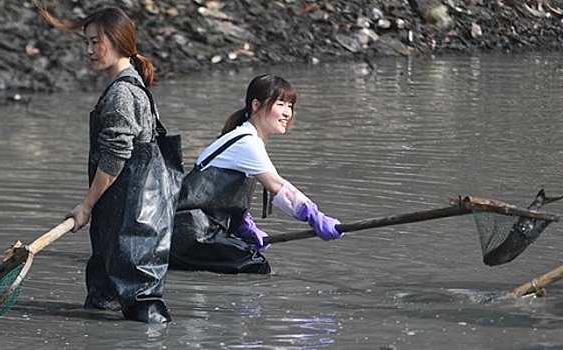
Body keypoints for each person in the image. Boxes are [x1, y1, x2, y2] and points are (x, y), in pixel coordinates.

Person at [38, 4, 173, 323]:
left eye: (95, 41)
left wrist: (85, 206)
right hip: (130, 226)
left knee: (142, 311)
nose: (88, 50)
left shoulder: (122, 95)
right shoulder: (134, 86)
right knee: (104, 308)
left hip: (131, 230)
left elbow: (115, 157)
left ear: (117, 41)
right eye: (86, 42)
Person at [170, 74, 342, 274]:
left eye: (290, 106)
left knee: (248, 259)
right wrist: (314, 216)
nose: (287, 113)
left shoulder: (243, 137)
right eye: (280, 104)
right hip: (192, 233)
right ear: (256, 105)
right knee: (255, 267)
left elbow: (222, 195)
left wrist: (244, 225)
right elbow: (277, 186)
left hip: (192, 230)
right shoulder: (247, 142)